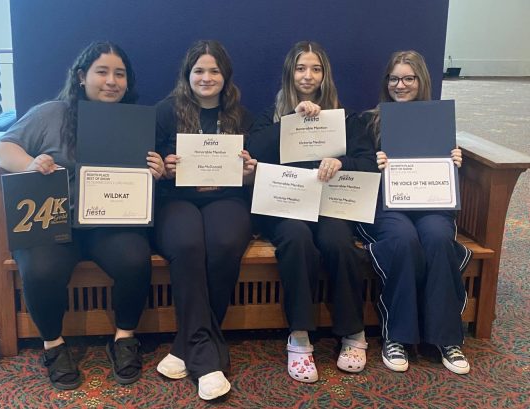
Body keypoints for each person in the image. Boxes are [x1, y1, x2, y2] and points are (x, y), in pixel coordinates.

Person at [0, 41, 165, 389]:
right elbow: (3, 146)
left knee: (135, 259)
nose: (112, 81)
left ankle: (124, 337)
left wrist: (156, 168)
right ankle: (53, 345)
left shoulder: (133, 122)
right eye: (102, 72)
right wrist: (29, 164)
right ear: (81, 76)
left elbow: (144, 176)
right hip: (54, 218)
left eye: (120, 74)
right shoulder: (51, 113)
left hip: (109, 222)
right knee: (41, 268)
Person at [247, 41, 377, 382]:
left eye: (315, 69)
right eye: (301, 68)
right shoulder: (273, 114)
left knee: (337, 240)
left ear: (325, 75)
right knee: (296, 238)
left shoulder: (343, 117)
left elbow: (367, 163)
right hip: (286, 208)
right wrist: (292, 121)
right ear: (290, 73)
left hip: (331, 205)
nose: (308, 75)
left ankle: (352, 332)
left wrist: (341, 161)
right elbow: (252, 149)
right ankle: (300, 335)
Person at [357, 50, 472, 375]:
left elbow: (442, 175)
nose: (400, 84)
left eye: (408, 78)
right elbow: (354, 165)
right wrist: (372, 164)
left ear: (421, 81)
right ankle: (397, 336)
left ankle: (447, 338)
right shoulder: (369, 120)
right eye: (394, 78)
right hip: (385, 207)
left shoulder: (436, 120)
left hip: (430, 204)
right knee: (403, 238)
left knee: (437, 236)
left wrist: (453, 163)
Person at [153, 40, 256, 400]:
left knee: (225, 243)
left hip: (226, 198)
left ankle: (185, 345)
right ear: (188, 74)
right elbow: (147, 163)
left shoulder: (241, 117)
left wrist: (248, 171)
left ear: (225, 76)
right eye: (199, 70)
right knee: (187, 243)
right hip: (174, 199)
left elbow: (252, 173)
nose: (206, 77)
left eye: (214, 70)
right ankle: (207, 359)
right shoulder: (164, 112)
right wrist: (164, 168)